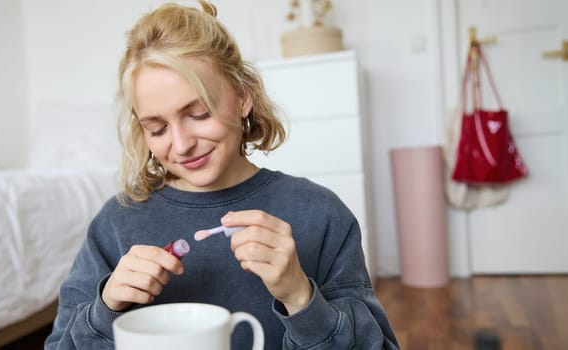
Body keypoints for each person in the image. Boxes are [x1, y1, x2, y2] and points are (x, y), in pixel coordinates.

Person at [45, 1, 399, 349]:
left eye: (198, 113)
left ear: (242, 96)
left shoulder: (320, 214)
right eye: (157, 129)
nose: (181, 144)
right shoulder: (115, 225)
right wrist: (106, 309)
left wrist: (300, 297)